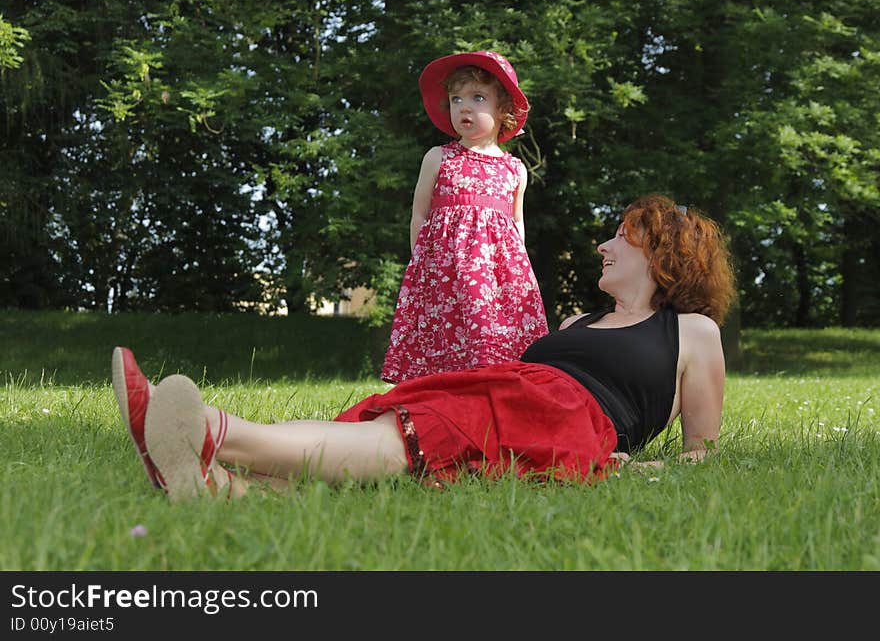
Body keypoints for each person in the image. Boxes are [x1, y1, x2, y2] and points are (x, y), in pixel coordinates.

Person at [111, 194, 735, 502]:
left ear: (660, 255)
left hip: (565, 421)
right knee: (393, 434)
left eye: (620, 238)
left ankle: (210, 431)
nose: (604, 246)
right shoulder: (573, 323)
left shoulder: (691, 332)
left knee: (404, 438)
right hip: (507, 396)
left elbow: (702, 454)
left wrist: (644, 468)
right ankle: (217, 486)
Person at [380, 50, 549, 384]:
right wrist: (422, 265)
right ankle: (441, 397)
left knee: (489, 337)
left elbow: (517, 224)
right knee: (446, 336)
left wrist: (518, 277)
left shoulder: (514, 169)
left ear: (504, 110)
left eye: (478, 97)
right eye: (456, 99)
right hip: (445, 273)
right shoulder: (438, 157)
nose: (464, 107)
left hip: (496, 279)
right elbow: (420, 214)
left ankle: (491, 395)